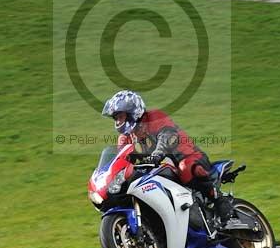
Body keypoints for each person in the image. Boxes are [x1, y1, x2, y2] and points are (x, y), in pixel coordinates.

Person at [102, 89, 243, 230]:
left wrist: (158, 153)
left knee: (185, 167)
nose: (118, 121)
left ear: (132, 112)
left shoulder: (154, 117)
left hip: (190, 157)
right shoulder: (126, 137)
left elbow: (168, 135)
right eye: (116, 118)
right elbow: (121, 158)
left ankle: (222, 205)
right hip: (159, 169)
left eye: (120, 116)